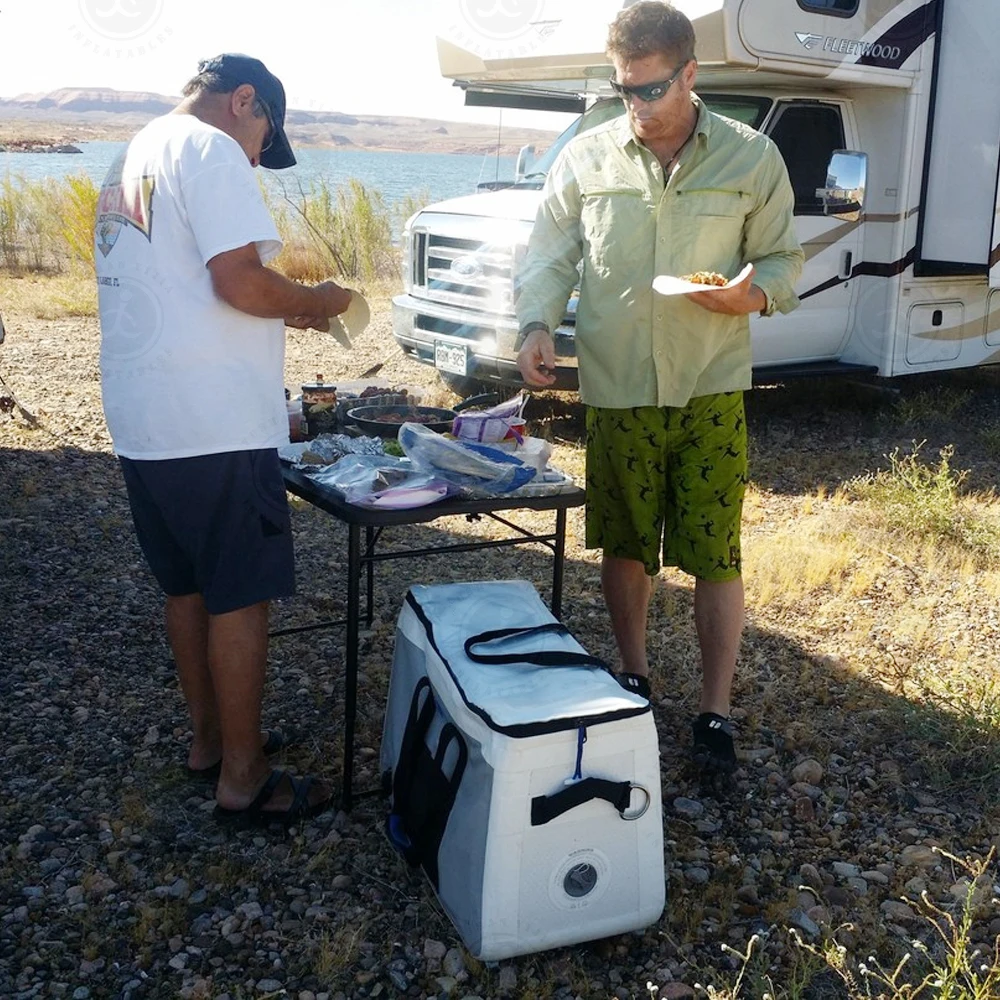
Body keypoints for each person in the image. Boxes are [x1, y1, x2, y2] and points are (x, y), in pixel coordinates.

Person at [515, 2, 803, 779]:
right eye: (622, 90)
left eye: (649, 90)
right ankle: (634, 673)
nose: (635, 108)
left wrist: (753, 295)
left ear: (690, 75)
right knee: (626, 541)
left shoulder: (751, 158)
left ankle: (715, 710)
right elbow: (549, 252)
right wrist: (535, 325)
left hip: (710, 386)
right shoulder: (587, 156)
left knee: (715, 552)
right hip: (618, 388)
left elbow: (782, 259)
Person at [96, 54, 352, 826]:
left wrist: (290, 304)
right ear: (245, 102)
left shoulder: (131, 154)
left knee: (188, 589)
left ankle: (210, 743)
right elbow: (238, 282)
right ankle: (245, 778)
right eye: (262, 140)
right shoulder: (208, 149)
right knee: (239, 597)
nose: (256, 159)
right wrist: (319, 299)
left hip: (146, 421)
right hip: (211, 422)